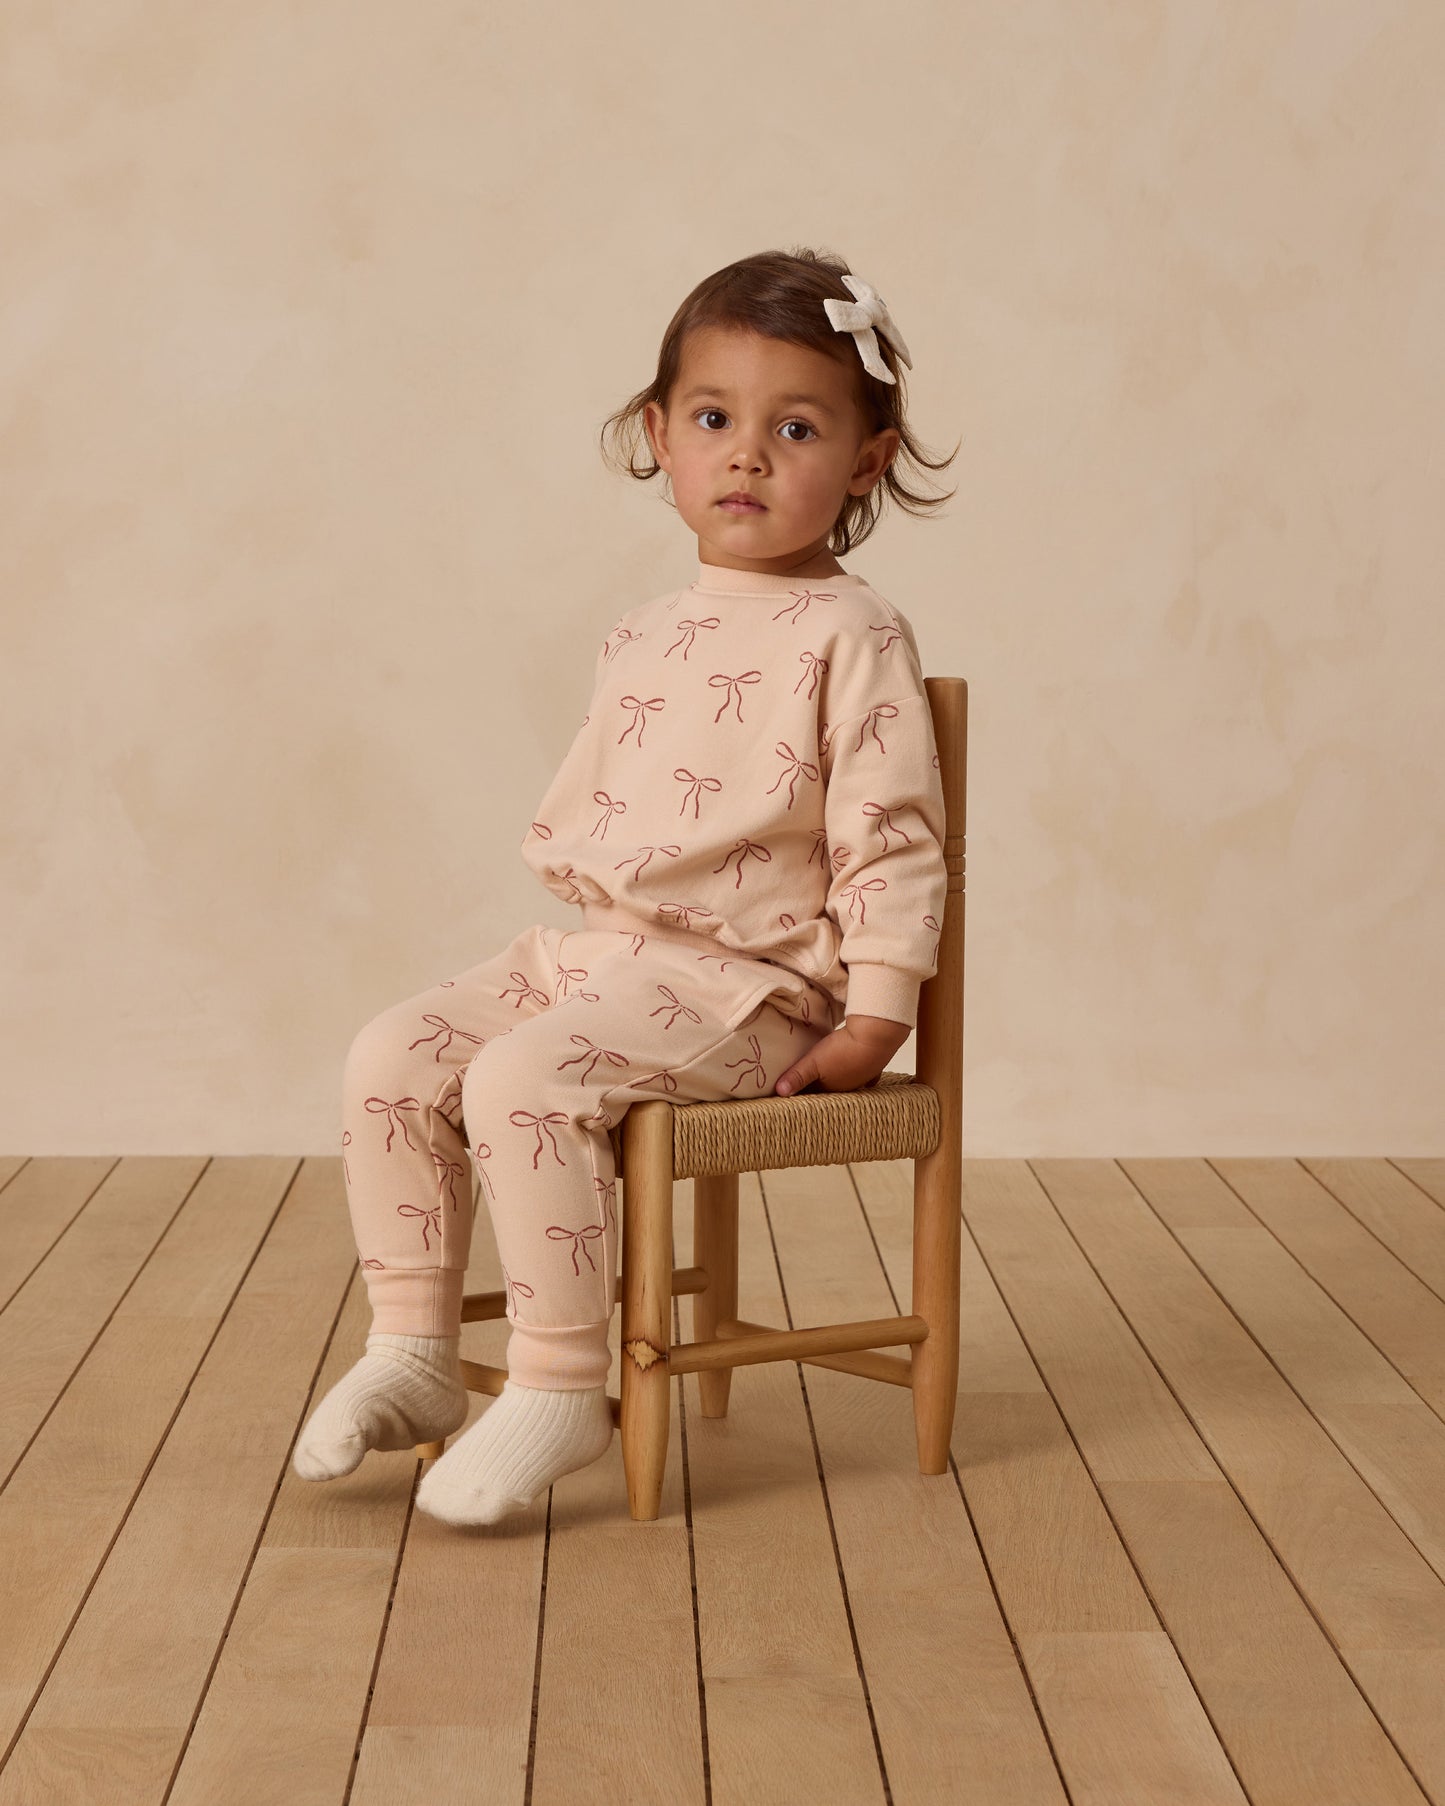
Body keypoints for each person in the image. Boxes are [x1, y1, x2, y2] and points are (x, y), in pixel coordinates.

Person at [292, 245, 959, 1527]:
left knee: (521, 1079)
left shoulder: (851, 633)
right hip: (601, 956)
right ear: (658, 436)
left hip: (747, 986)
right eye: (713, 420)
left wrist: (874, 1014)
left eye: (796, 427)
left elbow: (890, 834)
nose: (746, 456)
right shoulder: (643, 632)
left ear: (867, 460)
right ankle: (415, 1352)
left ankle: (554, 1383)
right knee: (390, 1053)